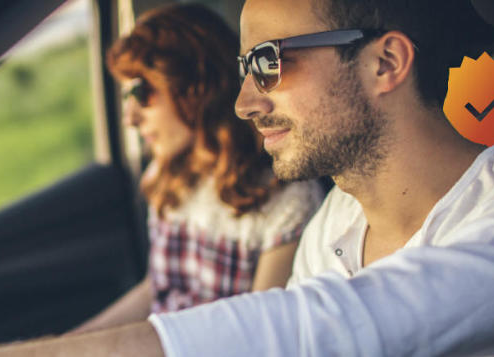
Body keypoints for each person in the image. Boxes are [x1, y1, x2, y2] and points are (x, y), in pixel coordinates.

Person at [0, 0, 494, 356]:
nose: (246, 100)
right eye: (246, 70)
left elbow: (316, 330)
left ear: (385, 62)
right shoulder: (333, 228)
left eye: (270, 65)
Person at [68, 3, 323, 335]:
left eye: (142, 93)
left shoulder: (285, 200)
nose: (130, 118)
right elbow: (158, 287)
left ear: (198, 88)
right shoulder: (165, 176)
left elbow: (257, 333)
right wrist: (75, 341)